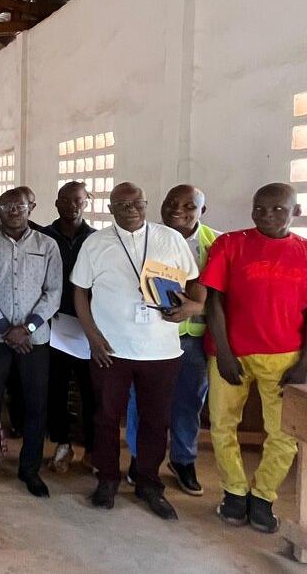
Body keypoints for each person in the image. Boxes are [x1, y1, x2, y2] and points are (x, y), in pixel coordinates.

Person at [202, 183, 307, 533]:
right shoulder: (230, 244)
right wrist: (224, 352)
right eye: (259, 208)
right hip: (230, 354)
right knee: (222, 424)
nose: (267, 215)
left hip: (284, 358)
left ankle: (263, 496)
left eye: (278, 209)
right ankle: (234, 492)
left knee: (283, 433)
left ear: (296, 211)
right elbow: (214, 301)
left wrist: (304, 365)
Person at [72, 182, 204, 520]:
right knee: (105, 418)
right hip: (110, 349)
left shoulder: (170, 239)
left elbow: (194, 281)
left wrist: (192, 307)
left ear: (146, 204)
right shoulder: (96, 243)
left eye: (138, 202)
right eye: (123, 203)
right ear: (111, 207)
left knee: (156, 421)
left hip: (161, 350)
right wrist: (92, 335)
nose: (131, 208)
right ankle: (107, 479)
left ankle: (148, 482)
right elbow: (80, 292)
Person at [124, 185, 219, 495]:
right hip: (151, 334)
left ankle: (183, 459)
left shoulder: (215, 243)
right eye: (171, 203)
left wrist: (196, 307)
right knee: (142, 400)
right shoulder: (145, 237)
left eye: (189, 205)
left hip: (193, 337)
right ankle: (141, 458)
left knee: (189, 401)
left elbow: (220, 292)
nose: (178, 210)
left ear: (202, 212)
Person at [0, 188, 62, 497]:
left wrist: (28, 327)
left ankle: (29, 469)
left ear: (31, 207)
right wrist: (5, 328)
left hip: (35, 340)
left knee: (36, 405)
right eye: (7, 206)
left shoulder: (47, 246)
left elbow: (53, 292)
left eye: (19, 206)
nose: (13, 211)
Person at [39, 181, 96, 474]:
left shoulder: (96, 239)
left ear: (86, 202)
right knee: (56, 387)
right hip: (53, 324)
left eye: (79, 200)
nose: (73, 206)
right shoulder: (43, 237)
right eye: (67, 200)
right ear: (57, 203)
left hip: (88, 327)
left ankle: (92, 448)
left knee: (91, 390)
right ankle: (62, 443)